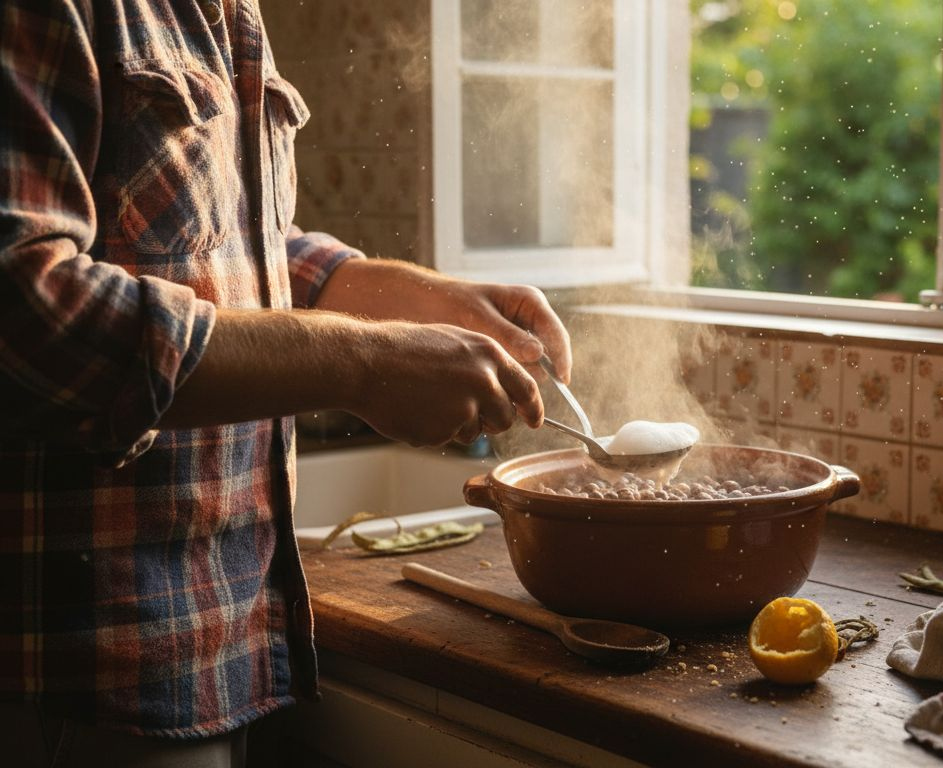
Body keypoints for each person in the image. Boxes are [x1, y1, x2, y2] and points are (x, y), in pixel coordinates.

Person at [0, 1, 569, 764]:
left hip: (219, 649)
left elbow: (226, 244)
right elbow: (29, 316)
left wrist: (385, 290)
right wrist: (365, 363)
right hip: (82, 668)